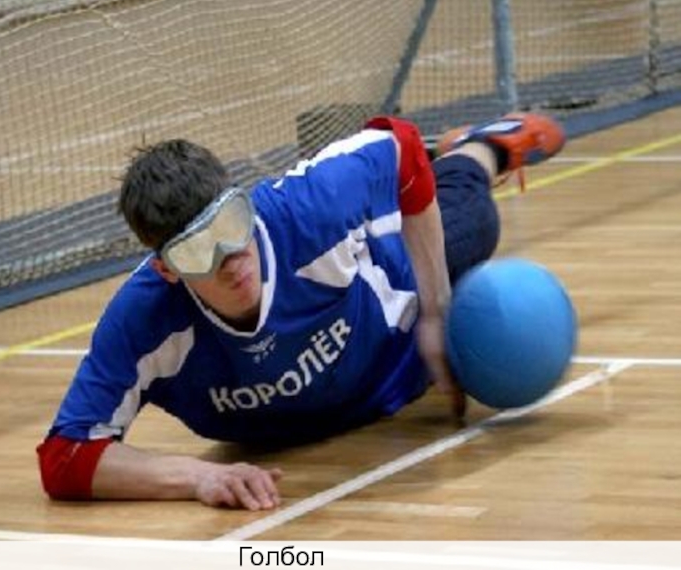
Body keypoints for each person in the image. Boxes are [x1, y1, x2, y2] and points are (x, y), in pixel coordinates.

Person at [36, 112, 565, 510]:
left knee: (473, 221)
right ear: (168, 269)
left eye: (230, 226)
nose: (231, 259)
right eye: (198, 252)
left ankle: (479, 148)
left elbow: (398, 145)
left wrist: (435, 312)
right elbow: (66, 455)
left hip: (397, 331)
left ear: (242, 203)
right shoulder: (144, 319)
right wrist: (198, 476)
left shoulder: (307, 209)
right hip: (305, 422)